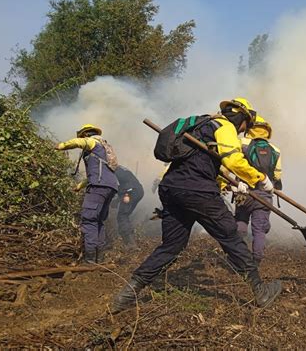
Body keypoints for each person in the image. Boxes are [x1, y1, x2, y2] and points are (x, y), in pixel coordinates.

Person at [112, 98, 282, 313]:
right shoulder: (225, 126)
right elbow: (233, 160)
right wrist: (259, 179)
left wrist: (235, 183)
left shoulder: (201, 125)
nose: (242, 131)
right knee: (231, 236)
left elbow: (206, 164)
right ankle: (261, 291)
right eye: (244, 126)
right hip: (198, 191)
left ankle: (127, 294)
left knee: (171, 246)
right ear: (241, 118)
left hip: (172, 188)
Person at [55, 124, 118, 263]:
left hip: (98, 186)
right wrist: (79, 186)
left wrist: (61, 146)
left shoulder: (92, 141)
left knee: (89, 220)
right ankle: (99, 258)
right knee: (99, 221)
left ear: (85, 134)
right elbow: (94, 173)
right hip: (110, 186)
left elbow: (78, 143)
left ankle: (89, 260)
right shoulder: (104, 148)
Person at [234, 116, 282, 265]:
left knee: (241, 222)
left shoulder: (242, 143)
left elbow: (232, 163)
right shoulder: (275, 150)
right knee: (259, 229)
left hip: (244, 193)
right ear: (267, 131)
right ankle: (256, 261)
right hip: (265, 195)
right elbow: (277, 174)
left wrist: (234, 184)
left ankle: (238, 255)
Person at [114, 165, 144, 249]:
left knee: (122, 216)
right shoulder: (120, 168)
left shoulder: (113, 170)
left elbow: (124, 183)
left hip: (130, 191)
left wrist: (127, 194)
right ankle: (130, 240)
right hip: (138, 190)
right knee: (125, 214)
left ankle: (131, 243)